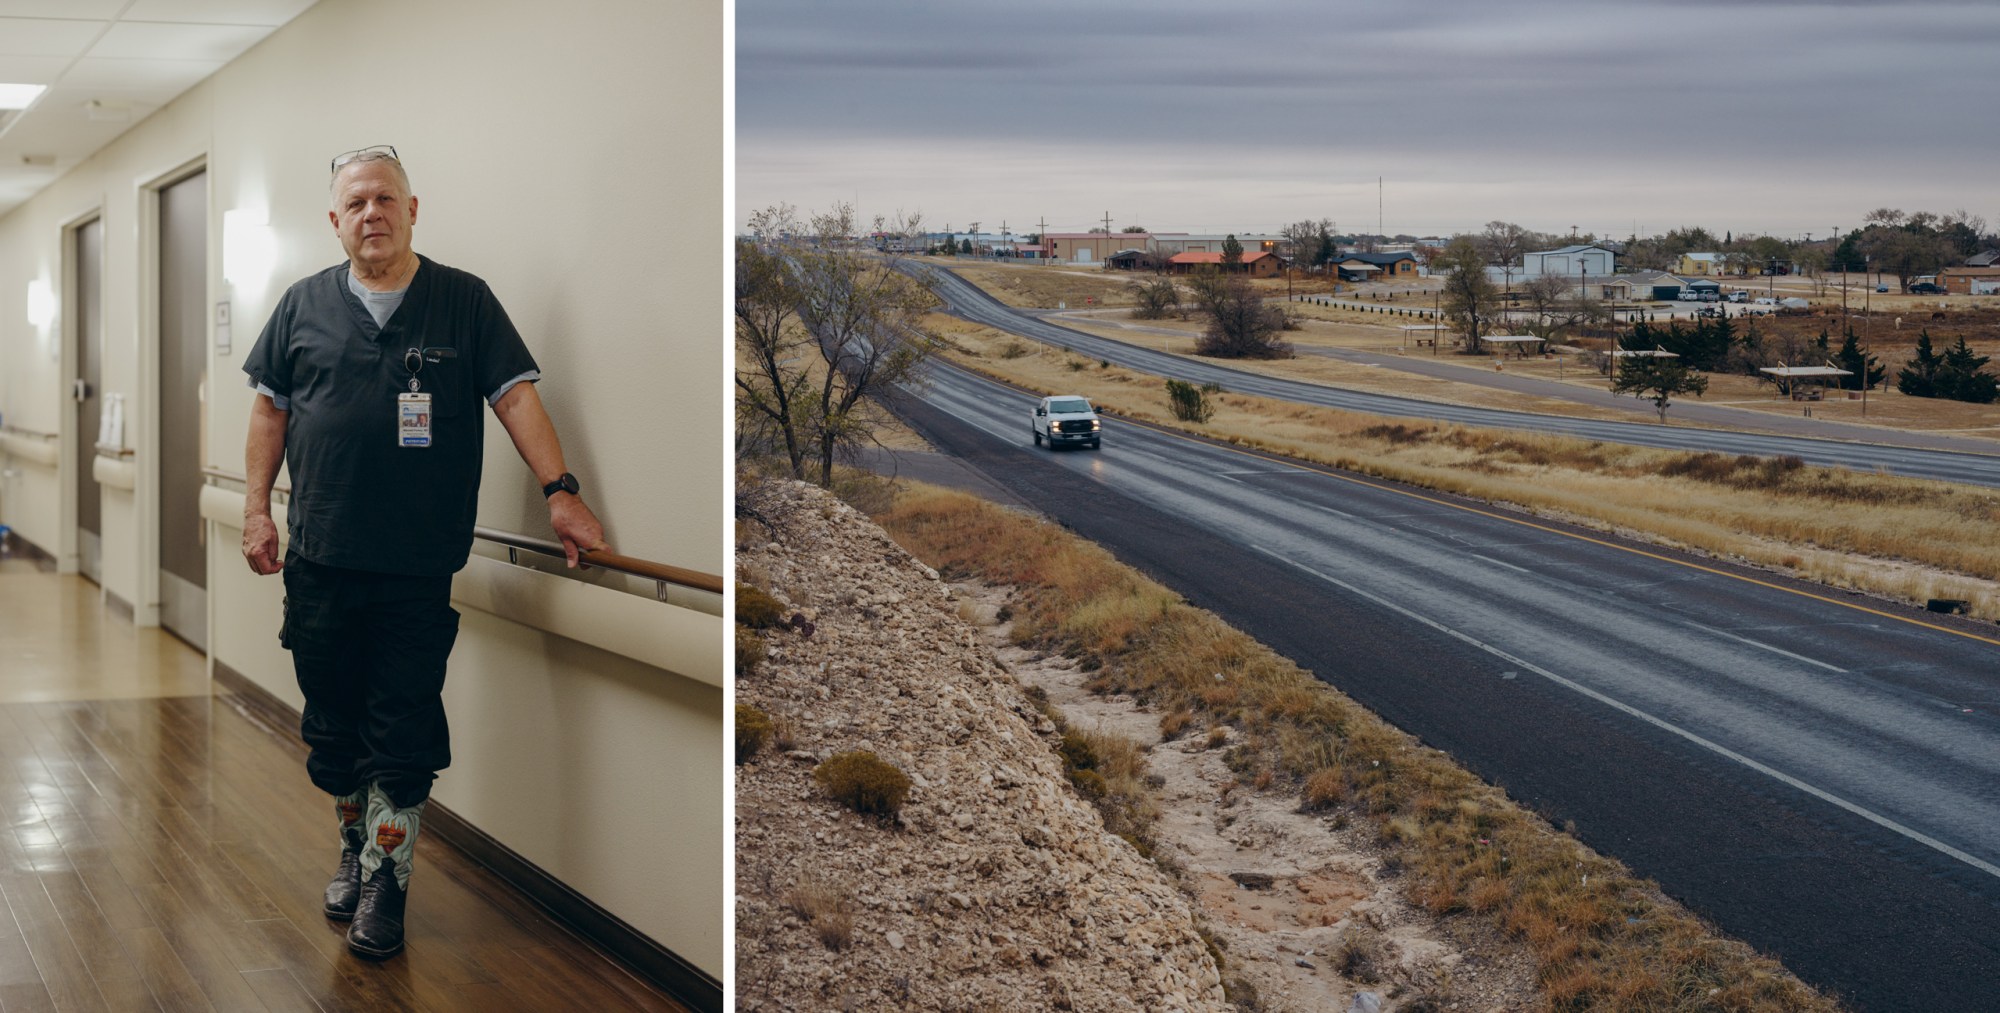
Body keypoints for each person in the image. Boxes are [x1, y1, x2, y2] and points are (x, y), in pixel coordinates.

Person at [239, 145, 606, 959]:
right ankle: (356, 845)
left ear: (413, 209)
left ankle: (386, 886)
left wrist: (562, 490)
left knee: (400, 727)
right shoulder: (301, 307)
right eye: (356, 203)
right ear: (334, 221)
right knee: (334, 727)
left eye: (386, 199)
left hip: (414, 563)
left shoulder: (463, 302)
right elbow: (270, 413)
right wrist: (256, 508)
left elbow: (515, 395)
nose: (372, 214)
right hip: (321, 558)